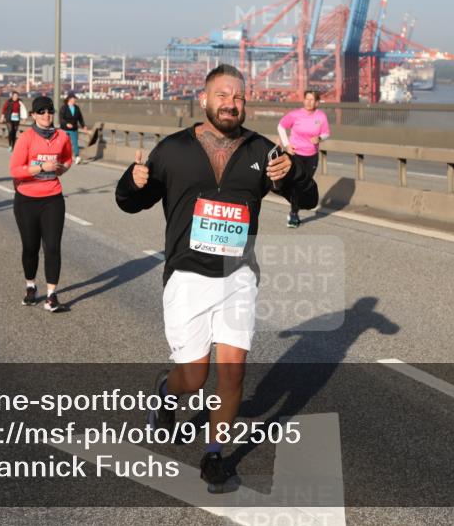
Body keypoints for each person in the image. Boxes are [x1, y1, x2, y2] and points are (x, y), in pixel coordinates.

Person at [115, 64, 317, 492]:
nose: (231, 103)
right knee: (194, 376)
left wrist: (293, 175)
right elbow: (130, 202)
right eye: (223, 95)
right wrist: (131, 182)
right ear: (204, 100)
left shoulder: (263, 152)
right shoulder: (172, 150)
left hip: (238, 275)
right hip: (187, 277)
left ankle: (213, 455)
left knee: (233, 373)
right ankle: (167, 392)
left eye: (239, 97)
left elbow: (309, 197)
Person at [9, 96, 73, 312]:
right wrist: (41, 168)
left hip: (53, 198)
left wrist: (62, 168)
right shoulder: (26, 138)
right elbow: (15, 170)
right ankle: (30, 287)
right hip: (27, 199)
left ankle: (52, 295)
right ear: (34, 115)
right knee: (30, 247)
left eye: (50, 111)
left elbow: (67, 158)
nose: (47, 115)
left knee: (53, 247)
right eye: (41, 111)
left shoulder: (62, 136)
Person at [277, 89, 330, 228]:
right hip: (295, 155)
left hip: (312, 156)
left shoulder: (321, 116)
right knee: (296, 184)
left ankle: (294, 209)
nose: (309, 102)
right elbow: (281, 126)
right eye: (307, 99)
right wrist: (287, 145)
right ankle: (294, 214)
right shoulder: (295, 115)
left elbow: (326, 133)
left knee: (303, 186)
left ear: (317, 102)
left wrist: (319, 138)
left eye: (312, 100)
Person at [59, 92, 86, 165]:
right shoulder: (63, 107)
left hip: (74, 128)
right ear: (70, 99)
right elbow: (61, 119)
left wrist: (83, 125)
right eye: (74, 99)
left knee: (75, 143)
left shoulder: (76, 108)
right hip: (65, 129)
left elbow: (80, 118)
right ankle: (61, 156)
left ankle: (77, 156)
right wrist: (66, 124)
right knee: (64, 143)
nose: (75, 100)